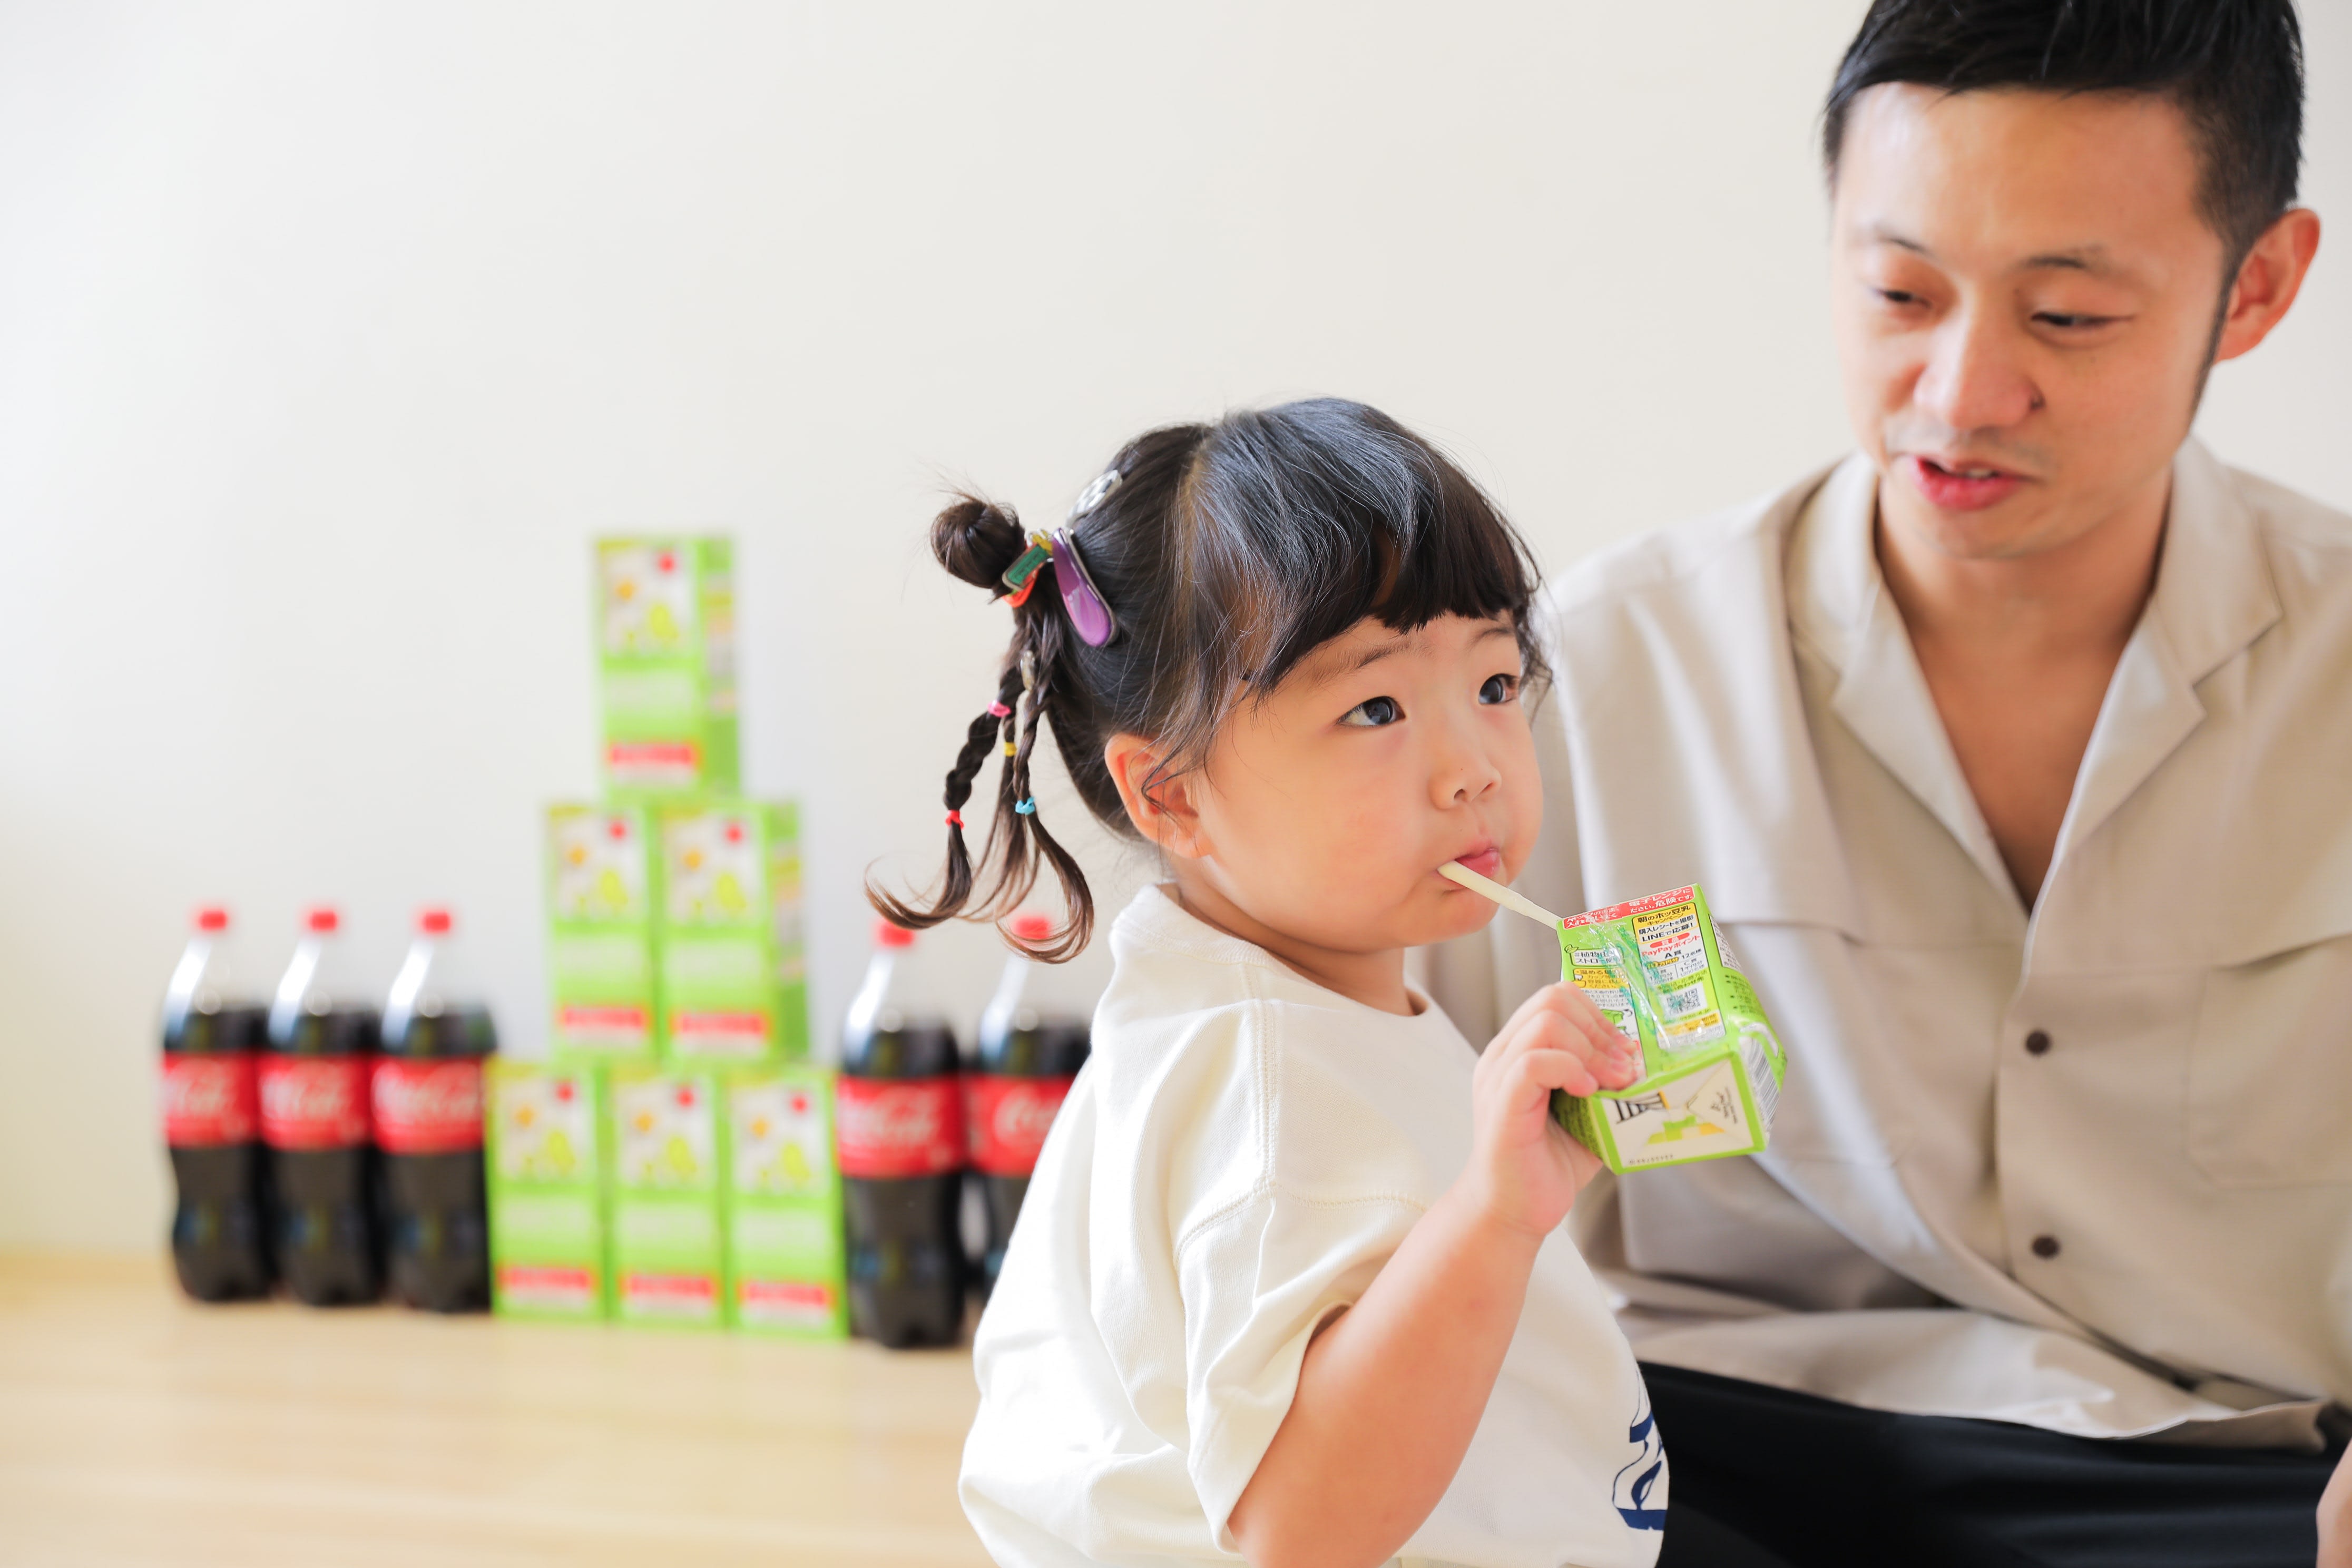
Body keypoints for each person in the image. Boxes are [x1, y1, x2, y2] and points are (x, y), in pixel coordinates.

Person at [1427, 2, 2350, 1564]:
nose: (1963, 390)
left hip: (2224, 1484)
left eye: (2067, 316)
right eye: (1900, 293)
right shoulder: (1598, 670)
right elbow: (1349, 1128)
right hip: (1693, 1453)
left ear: (2255, 285)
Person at [879, 399, 1665, 1568]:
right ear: (1173, 797)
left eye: (1498, 683)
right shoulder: (1264, 1091)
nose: (1473, 770)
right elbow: (1297, 1529)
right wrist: (1497, 1218)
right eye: (1376, 708)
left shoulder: (1296, 999)